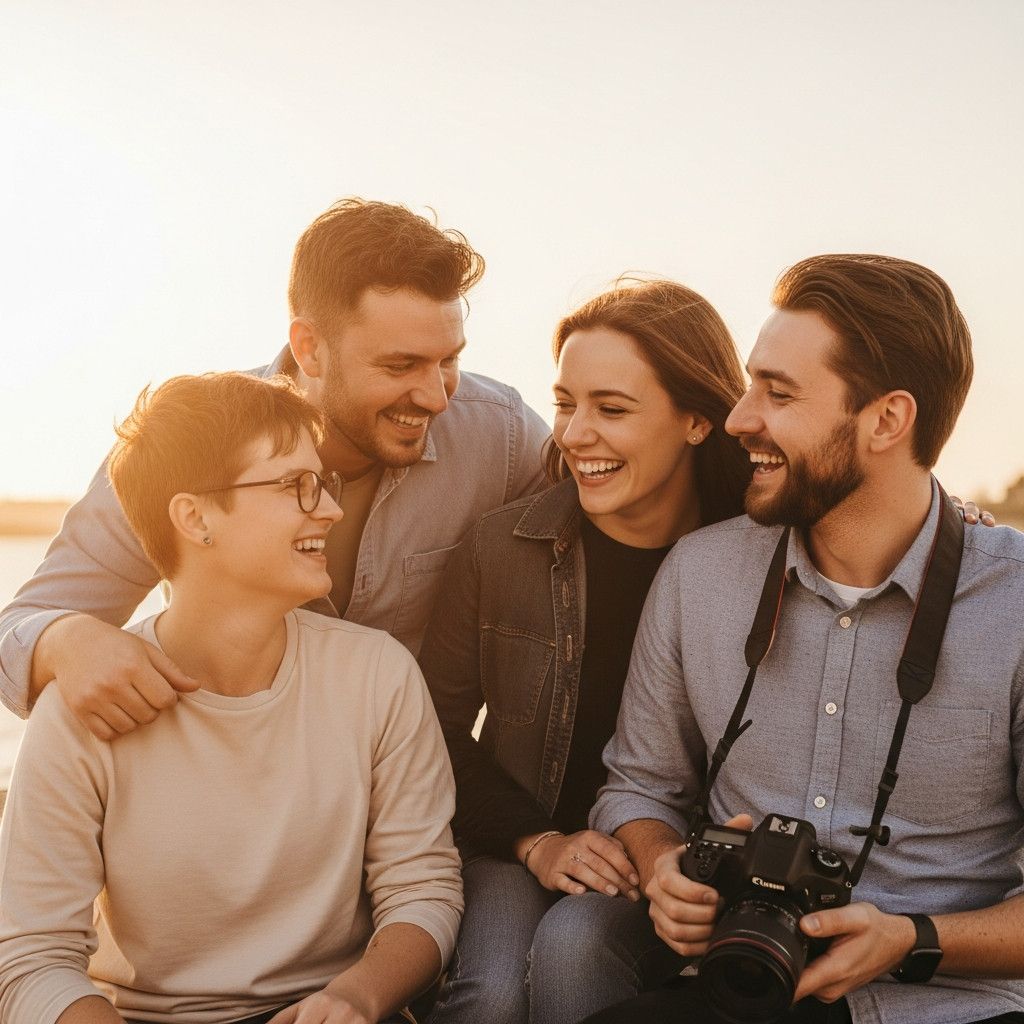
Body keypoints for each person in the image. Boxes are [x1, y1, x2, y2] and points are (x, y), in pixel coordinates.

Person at [579, 255, 1024, 1023]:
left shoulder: (1013, 603)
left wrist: (914, 937)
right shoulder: (699, 575)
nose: (738, 418)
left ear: (887, 419)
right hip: (730, 992)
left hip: (953, 1006)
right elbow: (638, 787)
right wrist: (662, 867)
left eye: (777, 393)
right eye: (751, 384)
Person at [0, 372, 463, 1024]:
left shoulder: (377, 675)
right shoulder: (78, 712)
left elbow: (424, 891)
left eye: (322, 482)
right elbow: (34, 964)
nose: (328, 509)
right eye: (294, 486)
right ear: (194, 517)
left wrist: (354, 999)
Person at [0, 198, 549, 740]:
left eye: (449, 359)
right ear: (309, 348)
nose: (436, 397)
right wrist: (65, 640)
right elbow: (17, 633)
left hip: (404, 781)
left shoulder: (500, 435)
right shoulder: (186, 442)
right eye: (400, 365)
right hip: (229, 775)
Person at [417, 280, 753, 1024]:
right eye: (566, 403)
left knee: (574, 953)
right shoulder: (502, 547)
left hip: (678, 854)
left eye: (612, 408)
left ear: (698, 420)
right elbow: (428, 726)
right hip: (518, 836)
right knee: (493, 993)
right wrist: (534, 840)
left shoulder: (757, 561)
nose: (573, 434)